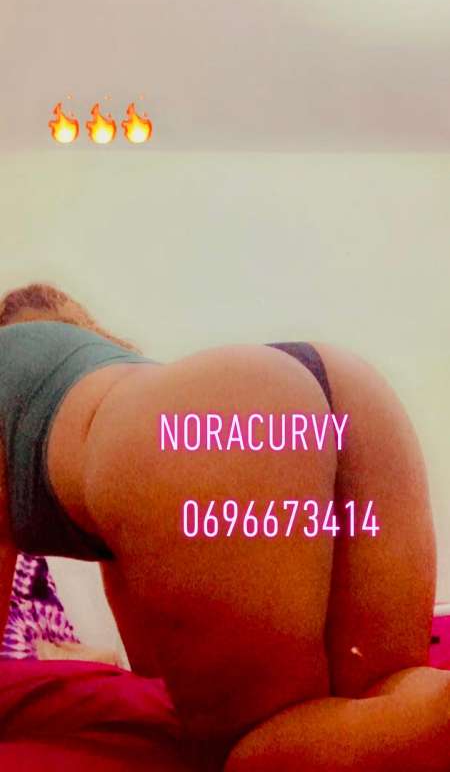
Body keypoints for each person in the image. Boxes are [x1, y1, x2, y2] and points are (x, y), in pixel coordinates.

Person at [0, 281, 449, 772]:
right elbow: (138, 624)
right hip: (342, 387)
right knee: (385, 686)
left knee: (250, 751)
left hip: (216, 426)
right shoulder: (110, 374)